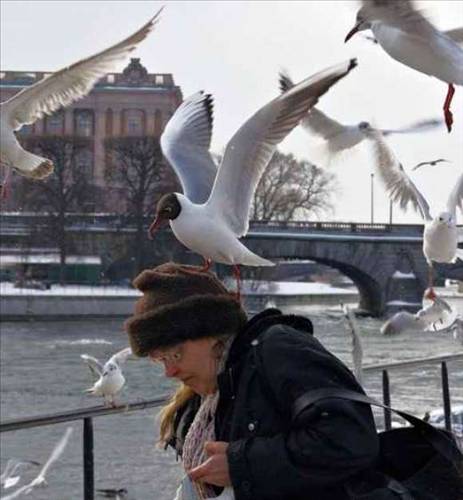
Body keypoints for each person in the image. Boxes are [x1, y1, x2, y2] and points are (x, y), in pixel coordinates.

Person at [125, 262, 382, 500]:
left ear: (212, 333)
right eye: (160, 359)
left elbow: (351, 439)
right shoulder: (199, 405)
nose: (169, 371)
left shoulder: (277, 349)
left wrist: (241, 465)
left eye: (175, 354)